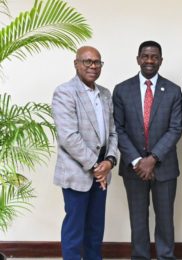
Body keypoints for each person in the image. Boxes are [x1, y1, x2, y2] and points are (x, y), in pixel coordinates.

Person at [113, 40, 182, 260]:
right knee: (138, 218)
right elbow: (118, 129)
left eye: (154, 57)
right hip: (133, 168)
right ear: (138, 59)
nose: (150, 60)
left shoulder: (172, 90)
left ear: (161, 60)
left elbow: (175, 129)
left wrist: (152, 159)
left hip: (164, 167)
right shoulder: (122, 90)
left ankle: (165, 257)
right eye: (145, 56)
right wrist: (137, 160)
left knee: (165, 219)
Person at [52, 46, 118, 260]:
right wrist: (94, 166)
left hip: (102, 170)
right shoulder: (64, 92)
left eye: (97, 62)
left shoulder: (105, 94)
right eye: (87, 61)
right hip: (77, 171)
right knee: (74, 229)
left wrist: (109, 161)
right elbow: (68, 136)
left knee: (95, 228)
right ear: (76, 64)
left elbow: (113, 133)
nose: (92, 66)